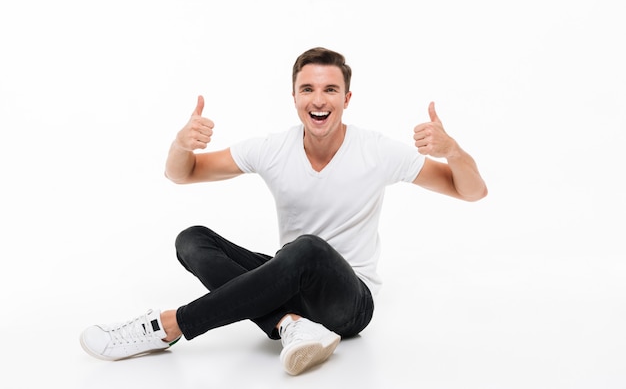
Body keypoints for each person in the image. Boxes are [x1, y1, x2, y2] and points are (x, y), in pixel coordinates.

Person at [80, 47, 488, 376]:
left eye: (330, 90)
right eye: (307, 89)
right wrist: (182, 143)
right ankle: (289, 324)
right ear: (294, 97)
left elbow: (472, 191)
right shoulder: (273, 149)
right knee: (192, 240)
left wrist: (452, 151)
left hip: (349, 303)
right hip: (290, 284)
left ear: (346, 99)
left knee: (307, 249)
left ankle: (168, 325)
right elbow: (182, 174)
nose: (318, 100)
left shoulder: (377, 151)